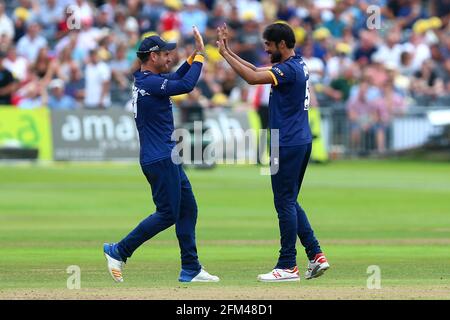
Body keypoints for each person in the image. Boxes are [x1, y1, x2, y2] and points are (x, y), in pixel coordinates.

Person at [103, 27, 219, 283]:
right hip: (160, 158)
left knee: (188, 208)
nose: (170, 57)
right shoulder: (150, 82)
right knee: (168, 213)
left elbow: (177, 77)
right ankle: (119, 250)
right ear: (153, 57)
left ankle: (191, 267)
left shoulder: (147, 80)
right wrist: (200, 55)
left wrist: (192, 58)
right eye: (166, 53)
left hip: (166, 156)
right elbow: (186, 85)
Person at [217, 22, 329, 282]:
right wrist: (226, 52)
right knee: (290, 199)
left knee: (284, 202)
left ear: (281, 44)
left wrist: (226, 55)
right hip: (299, 140)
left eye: (269, 46)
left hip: (286, 142)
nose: (266, 51)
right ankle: (315, 255)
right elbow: (257, 69)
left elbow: (253, 77)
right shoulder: (298, 63)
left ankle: (288, 265)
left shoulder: (288, 69)